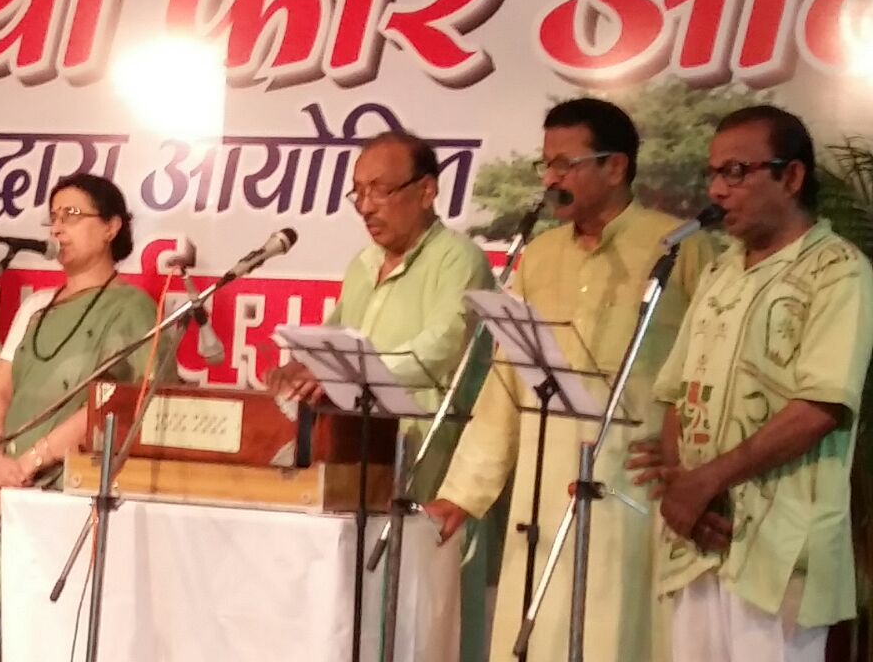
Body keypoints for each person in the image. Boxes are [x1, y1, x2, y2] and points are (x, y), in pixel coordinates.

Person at [427, 98, 716, 661]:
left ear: (616, 167)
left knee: (619, 635)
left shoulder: (680, 246)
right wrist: (462, 493)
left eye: (566, 164)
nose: (551, 179)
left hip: (633, 483)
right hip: (543, 486)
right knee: (539, 630)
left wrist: (691, 461)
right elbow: (507, 383)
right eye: (546, 165)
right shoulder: (538, 255)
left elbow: (707, 366)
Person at [653, 106, 873, 662]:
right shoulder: (719, 271)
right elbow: (678, 392)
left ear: (791, 176)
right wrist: (683, 487)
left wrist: (706, 481)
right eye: (712, 174)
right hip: (700, 539)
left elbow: (820, 407)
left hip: (779, 549)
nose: (717, 190)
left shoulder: (838, 270)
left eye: (736, 172)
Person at [265, 130, 495, 659]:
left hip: (426, 461)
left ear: (426, 190)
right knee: (358, 614)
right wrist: (301, 366)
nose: (366, 207)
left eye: (380, 191)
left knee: (420, 620)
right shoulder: (362, 264)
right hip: (359, 460)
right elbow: (337, 335)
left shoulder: (459, 260)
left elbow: (440, 349)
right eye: (358, 193)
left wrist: (351, 374)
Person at [0, 173, 171, 662]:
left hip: (68, 492)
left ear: (112, 227)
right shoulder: (35, 308)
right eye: (53, 217)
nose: (57, 228)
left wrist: (33, 460)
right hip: (6, 485)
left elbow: (120, 403)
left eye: (72, 215)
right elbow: (0, 390)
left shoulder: (132, 309)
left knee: (47, 630)